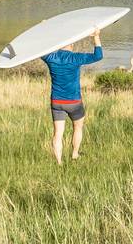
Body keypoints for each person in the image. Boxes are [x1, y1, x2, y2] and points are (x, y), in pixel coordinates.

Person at [40, 29, 102, 164]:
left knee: (58, 133)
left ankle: (59, 163)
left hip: (56, 102)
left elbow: (40, 48)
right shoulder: (75, 58)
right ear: (71, 46)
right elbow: (98, 56)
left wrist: (44, 30)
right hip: (74, 102)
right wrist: (96, 37)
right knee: (78, 127)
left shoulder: (51, 57)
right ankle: (74, 154)